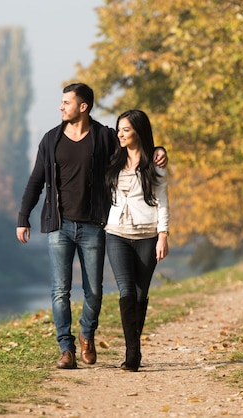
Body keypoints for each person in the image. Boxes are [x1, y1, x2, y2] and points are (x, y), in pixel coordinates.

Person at [16, 83, 167, 369]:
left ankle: (87, 333)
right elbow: (36, 181)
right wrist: (24, 217)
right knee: (60, 290)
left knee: (94, 291)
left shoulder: (103, 137)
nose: (61, 107)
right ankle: (66, 348)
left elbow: (133, 147)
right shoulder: (51, 140)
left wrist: (159, 149)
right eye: (61, 102)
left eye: (66, 102)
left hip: (94, 225)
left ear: (83, 107)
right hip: (59, 225)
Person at [104, 109, 169, 372]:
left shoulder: (156, 164)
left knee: (141, 293)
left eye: (126, 130)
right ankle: (133, 353)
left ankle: (134, 347)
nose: (120, 134)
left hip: (147, 234)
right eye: (119, 129)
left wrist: (163, 235)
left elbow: (163, 202)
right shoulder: (112, 159)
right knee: (126, 291)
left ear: (138, 132)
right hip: (116, 232)